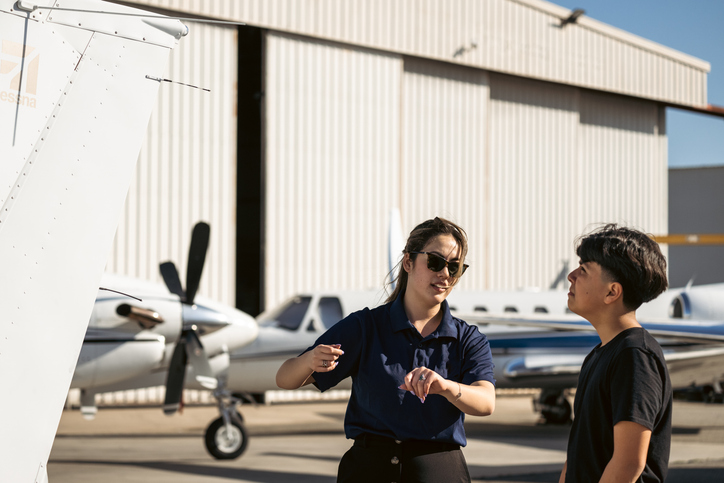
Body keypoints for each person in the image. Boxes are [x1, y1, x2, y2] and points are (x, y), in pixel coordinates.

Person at [276, 217, 496, 483]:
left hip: (439, 472)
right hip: (368, 470)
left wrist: (446, 387)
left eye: (455, 267)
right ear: (408, 262)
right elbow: (285, 378)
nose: (445, 274)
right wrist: (310, 360)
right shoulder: (365, 327)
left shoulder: (468, 338)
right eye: (436, 262)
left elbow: (486, 402)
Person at [559, 224, 672, 483]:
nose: (572, 276)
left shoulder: (635, 356)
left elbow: (628, 462)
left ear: (612, 292)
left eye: (584, 269)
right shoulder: (601, 353)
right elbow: (580, 451)